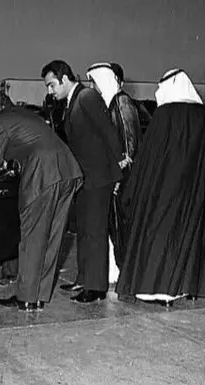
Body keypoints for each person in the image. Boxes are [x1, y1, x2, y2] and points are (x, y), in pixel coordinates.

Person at [116, 69, 205, 306]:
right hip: (193, 192)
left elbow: (148, 156)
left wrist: (134, 187)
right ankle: (180, 289)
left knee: (156, 237)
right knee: (184, 236)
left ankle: (154, 290)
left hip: (160, 190)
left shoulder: (165, 114)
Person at [0, 90, 83, 311]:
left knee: (32, 237)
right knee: (52, 237)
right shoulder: (26, 114)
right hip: (68, 171)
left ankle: (26, 297)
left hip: (43, 175)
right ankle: (39, 295)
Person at [41, 60, 122, 303]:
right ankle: (84, 278)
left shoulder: (87, 97)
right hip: (85, 178)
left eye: (52, 85)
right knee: (84, 230)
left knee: (95, 231)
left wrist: (119, 166)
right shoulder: (73, 100)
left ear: (65, 78)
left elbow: (108, 131)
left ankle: (96, 287)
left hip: (98, 178)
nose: (50, 91)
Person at [86, 62, 142, 282]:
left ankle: (126, 273)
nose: (92, 88)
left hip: (123, 180)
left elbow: (129, 145)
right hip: (114, 177)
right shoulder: (109, 104)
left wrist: (119, 176)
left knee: (122, 227)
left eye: (94, 83)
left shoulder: (122, 103)